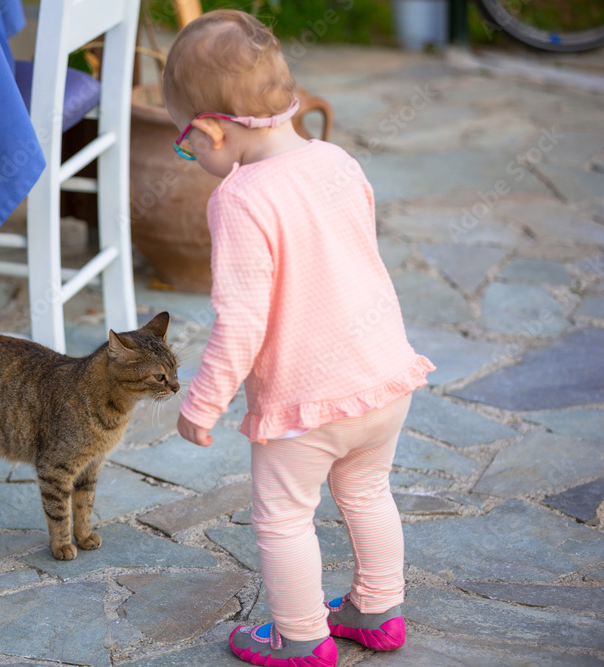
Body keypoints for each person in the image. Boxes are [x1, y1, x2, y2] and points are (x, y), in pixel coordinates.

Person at [166, 10, 435, 667]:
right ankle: (377, 610)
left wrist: (203, 401)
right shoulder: (336, 159)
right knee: (368, 492)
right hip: (382, 379)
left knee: (283, 516)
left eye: (185, 146)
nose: (192, 157)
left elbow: (242, 318)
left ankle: (301, 636)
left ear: (209, 131)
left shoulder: (239, 198)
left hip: (305, 405)